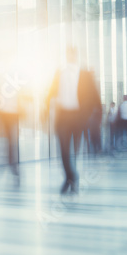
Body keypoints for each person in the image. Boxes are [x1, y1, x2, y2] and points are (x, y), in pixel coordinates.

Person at [46, 47, 100, 193]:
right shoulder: (59, 73)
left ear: (75, 56)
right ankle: (71, 176)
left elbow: (95, 96)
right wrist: (45, 111)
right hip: (63, 116)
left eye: (71, 54)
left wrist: (96, 117)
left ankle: (71, 177)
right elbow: (50, 92)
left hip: (78, 117)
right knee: (63, 149)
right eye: (67, 54)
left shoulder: (85, 74)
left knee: (74, 149)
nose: (69, 57)